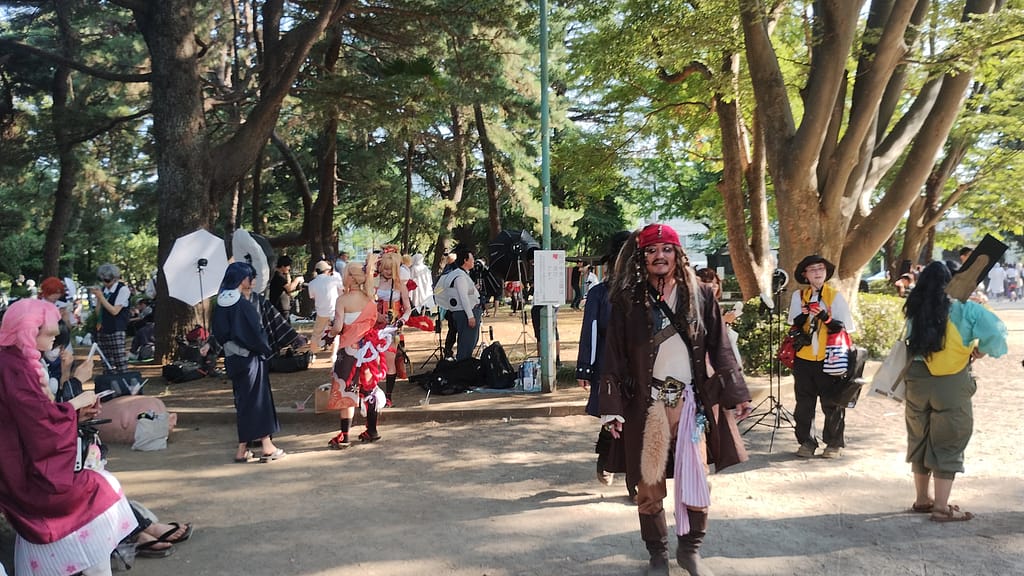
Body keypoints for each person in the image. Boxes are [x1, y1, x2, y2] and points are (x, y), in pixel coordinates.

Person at [600, 223, 752, 576]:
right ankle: (657, 555)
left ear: (677, 254)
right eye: (652, 250)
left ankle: (690, 551)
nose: (660, 256)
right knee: (648, 485)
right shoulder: (627, 300)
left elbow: (720, 346)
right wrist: (611, 409)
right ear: (642, 257)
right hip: (647, 404)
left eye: (666, 249)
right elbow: (614, 357)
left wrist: (737, 393)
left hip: (690, 404)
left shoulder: (701, 295)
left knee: (696, 478)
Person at [0, 298, 137, 576]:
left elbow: (36, 419)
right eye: (49, 332)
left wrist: (74, 412)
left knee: (102, 486)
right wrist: (74, 404)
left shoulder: (13, 362)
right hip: (26, 474)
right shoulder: (13, 366)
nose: (55, 337)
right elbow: (38, 424)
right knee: (101, 488)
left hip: (20, 465)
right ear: (30, 331)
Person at [903, 261, 1007, 523]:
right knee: (949, 439)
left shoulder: (915, 309)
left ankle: (922, 499)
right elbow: (997, 334)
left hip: (916, 380)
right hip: (950, 382)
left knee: (920, 436)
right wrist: (981, 351)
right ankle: (941, 507)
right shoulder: (966, 309)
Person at [213, 262, 290, 463]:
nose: (252, 280)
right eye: (250, 277)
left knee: (243, 402)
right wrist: (266, 349)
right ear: (242, 279)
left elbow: (219, 334)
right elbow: (255, 334)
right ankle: (267, 446)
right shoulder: (242, 304)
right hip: (250, 359)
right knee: (258, 401)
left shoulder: (220, 303)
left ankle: (242, 449)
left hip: (232, 359)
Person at [575, 230, 631, 492]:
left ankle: (635, 482)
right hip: (608, 365)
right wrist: (585, 368)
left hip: (639, 365)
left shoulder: (646, 291)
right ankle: (606, 458)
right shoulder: (599, 293)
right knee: (612, 414)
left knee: (637, 419)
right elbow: (590, 331)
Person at [787, 255, 857, 459]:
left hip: (830, 357)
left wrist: (824, 317)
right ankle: (806, 442)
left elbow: (844, 327)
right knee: (804, 404)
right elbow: (793, 324)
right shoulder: (799, 296)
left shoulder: (835, 296)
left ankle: (834, 444)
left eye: (821, 269)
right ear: (805, 275)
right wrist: (805, 314)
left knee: (832, 403)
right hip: (804, 357)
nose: (818, 272)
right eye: (813, 269)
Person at [326, 254, 388, 446]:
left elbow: (337, 327)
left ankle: (345, 435)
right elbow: (379, 321)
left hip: (349, 352)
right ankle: (372, 430)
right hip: (369, 351)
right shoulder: (370, 300)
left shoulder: (342, 300)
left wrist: (329, 334)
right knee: (369, 389)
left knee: (347, 392)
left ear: (350, 278)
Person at [376, 247, 413, 405]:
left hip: (392, 328)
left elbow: (408, 309)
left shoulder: (400, 286)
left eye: (391, 269)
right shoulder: (373, 283)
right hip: (372, 327)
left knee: (389, 360)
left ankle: (388, 397)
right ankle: (370, 394)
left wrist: (402, 320)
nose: (388, 272)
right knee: (370, 360)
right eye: (385, 268)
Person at [90, 263, 132, 373]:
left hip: (116, 329)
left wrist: (101, 297)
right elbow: (98, 312)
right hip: (102, 329)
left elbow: (115, 311)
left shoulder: (122, 290)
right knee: (106, 362)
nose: (104, 283)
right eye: (102, 280)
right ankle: (109, 381)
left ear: (115, 279)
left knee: (120, 361)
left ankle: (123, 381)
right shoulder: (103, 290)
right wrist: (98, 298)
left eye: (107, 280)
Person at [445, 246, 483, 360]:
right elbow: (463, 297)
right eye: (472, 259)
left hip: (468, 310)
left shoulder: (463, 274)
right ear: (465, 261)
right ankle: (462, 365)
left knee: (471, 342)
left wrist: (474, 289)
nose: (473, 261)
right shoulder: (460, 276)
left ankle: (464, 363)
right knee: (466, 344)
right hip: (465, 312)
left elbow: (466, 292)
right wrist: (470, 316)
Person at [307, 260, 344, 355]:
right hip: (334, 311)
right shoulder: (333, 280)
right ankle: (333, 355)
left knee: (316, 335)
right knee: (335, 333)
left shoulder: (312, 283)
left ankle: (312, 354)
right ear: (327, 270)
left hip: (321, 312)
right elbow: (342, 290)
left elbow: (312, 297)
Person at [268, 255, 303, 321]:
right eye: (288, 266)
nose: (289, 268)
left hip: (284, 307)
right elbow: (289, 288)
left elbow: (288, 290)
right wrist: (297, 279)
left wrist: (297, 287)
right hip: (279, 308)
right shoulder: (278, 276)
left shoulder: (281, 276)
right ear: (283, 266)